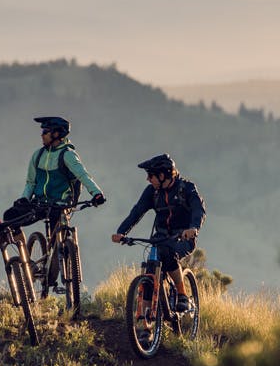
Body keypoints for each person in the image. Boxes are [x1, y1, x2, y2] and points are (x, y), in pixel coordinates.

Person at [110, 153, 206, 312]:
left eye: (150, 175)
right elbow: (136, 212)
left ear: (163, 175)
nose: (148, 179)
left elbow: (198, 209)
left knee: (168, 254)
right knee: (150, 271)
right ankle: (146, 324)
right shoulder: (152, 192)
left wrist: (193, 228)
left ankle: (182, 294)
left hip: (183, 238)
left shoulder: (186, 188)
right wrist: (121, 232)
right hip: (160, 237)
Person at [21, 115, 105, 210]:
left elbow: (83, 176)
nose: (42, 135)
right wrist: (24, 199)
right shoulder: (38, 155)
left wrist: (97, 193)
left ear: (56, 134)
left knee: (55, 219)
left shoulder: (67, 155)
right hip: (39, 203)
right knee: (10, 216)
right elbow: (30, 183)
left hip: (60, 204)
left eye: (45, 132)